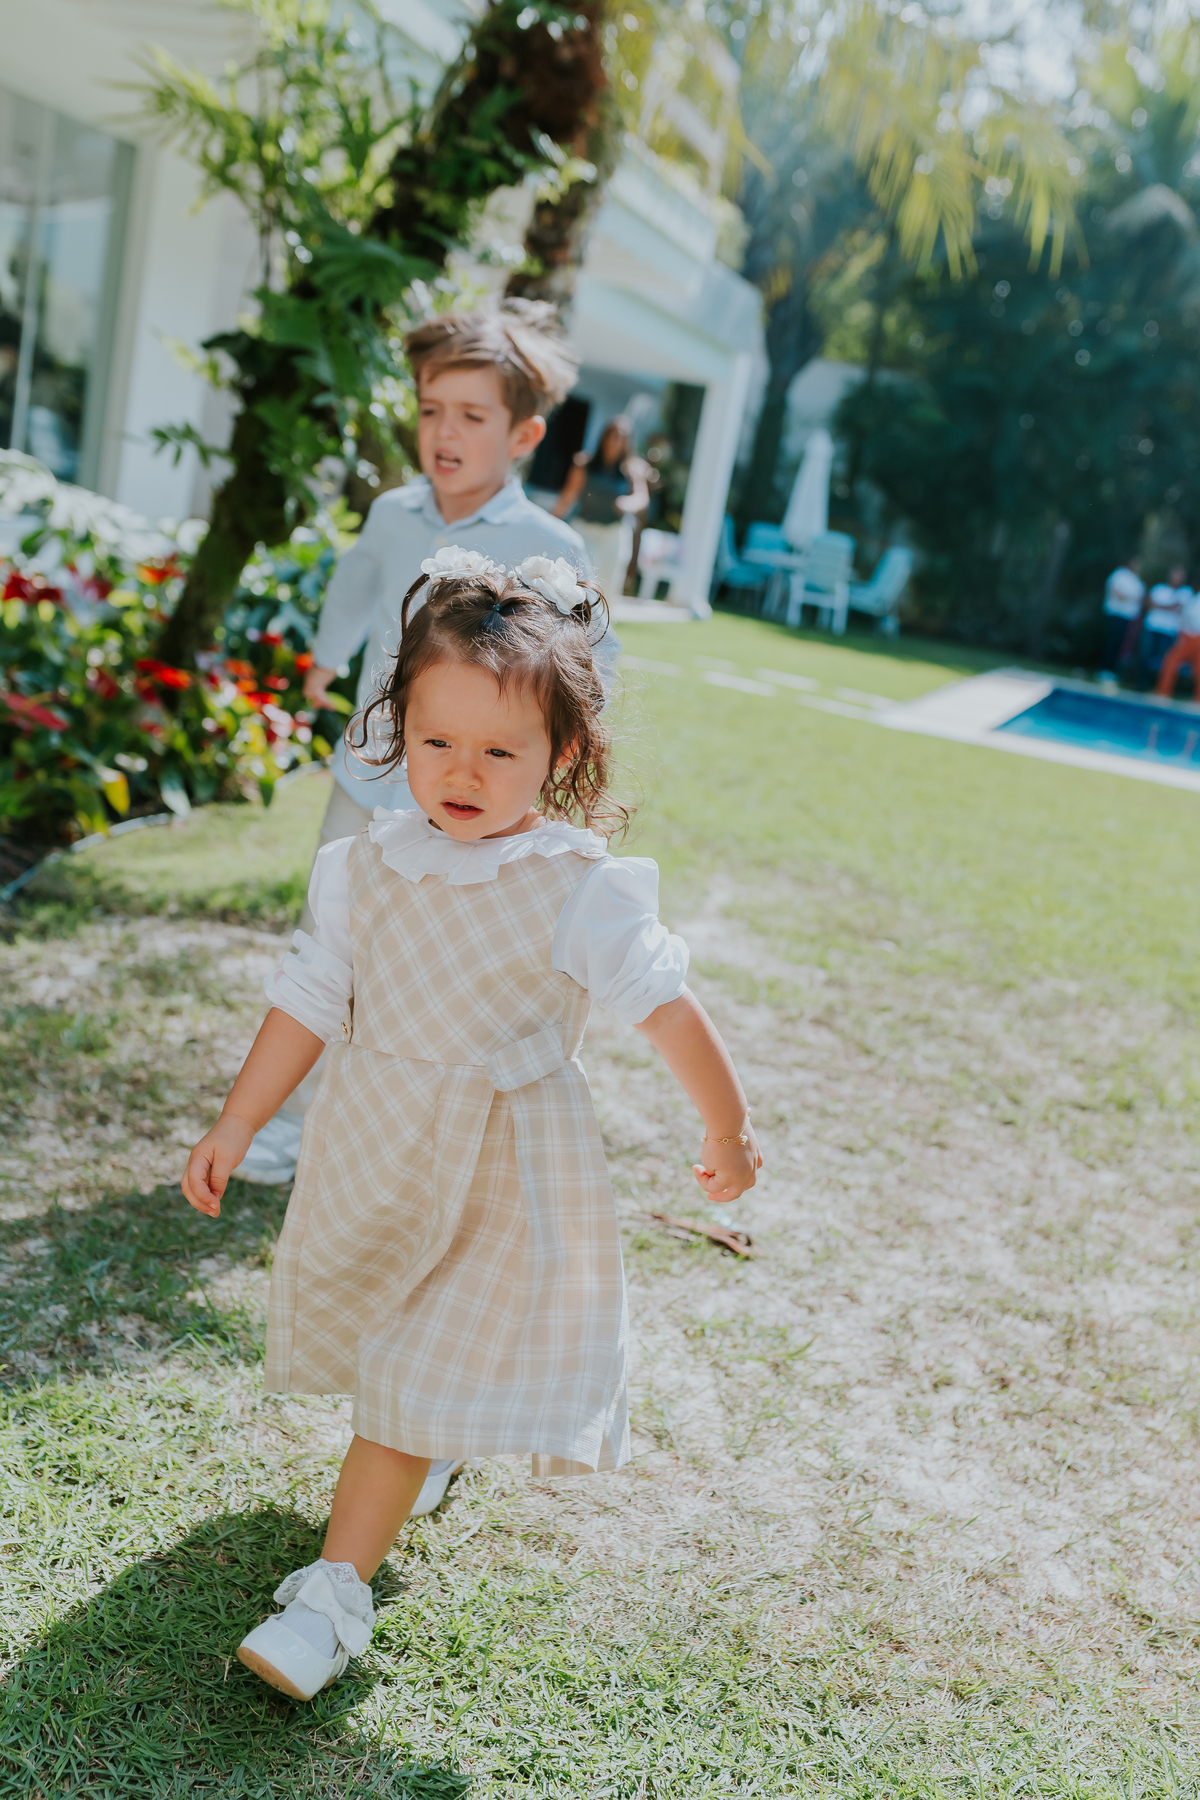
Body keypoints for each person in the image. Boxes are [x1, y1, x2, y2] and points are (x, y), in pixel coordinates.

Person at [181, 552, 761, 1702]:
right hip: (376, 1153)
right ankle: (427, 1451)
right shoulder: (368, 866)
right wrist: (238, 1121)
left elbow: (664, 1008)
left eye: (502, 751)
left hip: (502, 1174)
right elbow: (309, 996)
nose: (463, 771)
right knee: (388, 1347)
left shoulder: (570, 882)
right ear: (400, 726)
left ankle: (332, 1597)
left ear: (563, 758)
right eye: (439, 740)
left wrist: (728, 1127)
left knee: (406, 1367)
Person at [235, 301, 617, 1205]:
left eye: (472, 416)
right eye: (430, 408)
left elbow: (590, 667)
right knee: (329, 953)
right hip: (370, 777)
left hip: (474, 800)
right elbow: (359, 584)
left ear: (524, 433)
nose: (444, 433)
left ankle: (392, 1144)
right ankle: (286, 1128)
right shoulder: (393, 512)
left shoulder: (550, 548)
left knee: (425, 974)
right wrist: (327, 660)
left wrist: (556, 776)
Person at [552, 416, 650, 602]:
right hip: (585, 530)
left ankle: (603, 629)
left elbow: (641, 498)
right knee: (579, 583)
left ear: (627, 442)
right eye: (612, 435)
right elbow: (568, 497)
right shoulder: (584, 463)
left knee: (609, 587)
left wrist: (627, 503)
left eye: (621, 437)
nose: (615, 441)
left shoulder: (631, 468)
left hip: (613, 534)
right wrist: (550, 522)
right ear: (604, 437)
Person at [1140, 564, 1191, 686]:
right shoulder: (1159, 588)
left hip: (1169, 631)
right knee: (1145, 656)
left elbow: (1177, 608)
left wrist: (1159, 606)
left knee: (1165, 661)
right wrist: (1168, 607)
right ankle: (1141, 684)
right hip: (1152, 627)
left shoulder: (1185, 592)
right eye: (1175, 574)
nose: (1177, 578)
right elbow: (1149, 604)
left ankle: (1158, 686)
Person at [1099, 555, 1144, 682]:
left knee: (1121, 646)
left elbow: (1140, 599)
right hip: (1115, 614)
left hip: (1128, 617)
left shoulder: (1136, 580)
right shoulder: (1119, 574)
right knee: (1111, 642)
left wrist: (1129, 598)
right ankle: (1104, 670)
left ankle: (1112, 671)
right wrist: (1130, 598)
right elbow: (1118, 594)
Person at [1155, 582, 1200, 702]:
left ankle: (1198, 700)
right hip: (1185, 637)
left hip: (1198, 639)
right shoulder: (1190, 597)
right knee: (1170, 660)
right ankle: (1162, 694)